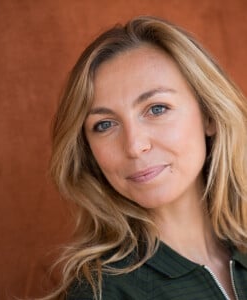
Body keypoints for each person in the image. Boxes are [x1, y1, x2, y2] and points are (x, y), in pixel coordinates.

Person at [46, 16, 247, 300]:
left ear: (209, 115)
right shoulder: (103, 291)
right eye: (105, 125)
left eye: (156, 109)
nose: (134, 145)